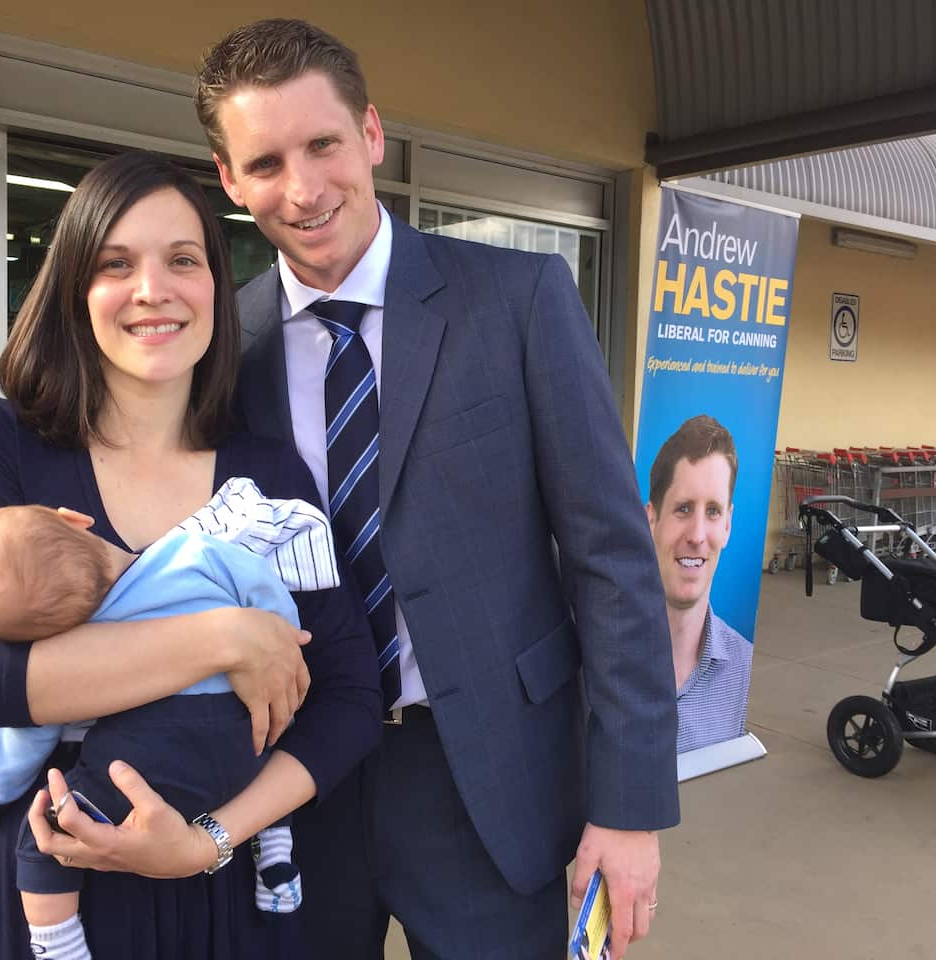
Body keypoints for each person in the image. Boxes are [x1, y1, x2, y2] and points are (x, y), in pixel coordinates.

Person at [190, 18, 677, 957]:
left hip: (492, 780)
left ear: (371, 133)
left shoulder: (520, 300)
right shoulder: (220, 348)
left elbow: (613, 562)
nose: (302, 189)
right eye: (265, 162)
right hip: (292, 778)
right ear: (228, 177)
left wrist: (629, 810)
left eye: (324, 144)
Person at [0, 149, 382, 960]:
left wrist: (209, 838)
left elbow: (348, 696)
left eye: (183, 260)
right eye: (115, 264)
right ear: (74, 291)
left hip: (220, 895)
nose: (152, 290)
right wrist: (225, 640)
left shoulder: (268, 472)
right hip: (42, 892)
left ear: (216, 287)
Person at [0, 478, 338, 957]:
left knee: (50, 838)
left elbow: (29, 732)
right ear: (75, 519)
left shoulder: (80, 644)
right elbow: (265, 591)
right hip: (247, 737)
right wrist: (281, 637)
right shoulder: (197, 550)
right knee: (269, 747)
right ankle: (275, 851)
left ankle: (58, 943)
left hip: (152, 768)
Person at [645, 414, 754, 753]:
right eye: (683, 509)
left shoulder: (745, 669)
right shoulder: (596, 661)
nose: (696, 536)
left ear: (728, 526)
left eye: (712, 512)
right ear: (651, 520)